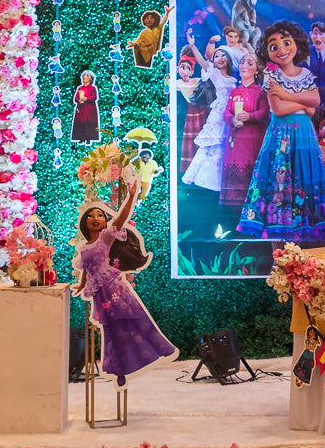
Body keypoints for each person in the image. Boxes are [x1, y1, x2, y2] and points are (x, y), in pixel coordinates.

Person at [73, 181, 178, 389]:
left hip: (115, 289)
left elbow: (121, 219)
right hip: (100, 296)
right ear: (85, 222)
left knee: (138, 319)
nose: (95, 217)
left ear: (105, 221)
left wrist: (131, 196)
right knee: (113, 333)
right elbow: (86, 269)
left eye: (100, 215)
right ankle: (119, 369)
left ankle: (162, 348)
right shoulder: (83, 248)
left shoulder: (105, 238)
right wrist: (81, 284)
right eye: (91, 215)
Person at [237, 20, 325, 240]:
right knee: (279, 184)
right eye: (274, 46)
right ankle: (278, 250)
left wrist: (287, 95)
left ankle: (298, 252)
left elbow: (315, 101)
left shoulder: (305, 73)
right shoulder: (271, 76)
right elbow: (278, 109)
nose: (281, 49)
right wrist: (304, 105)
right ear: (267, 52)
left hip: (304, 137)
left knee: (303, 181)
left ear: (297, 44)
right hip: (281, 136)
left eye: (286, 43)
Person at [182, 47, 237, 193]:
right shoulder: (215, 74)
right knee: (213, 141)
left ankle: (225, 178)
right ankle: (208, 179)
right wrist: (193, 46)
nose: (220, 58)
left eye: (223, 55)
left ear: (229, 59)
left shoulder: (234, 79)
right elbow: (202, 62)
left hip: (231, 112)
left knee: (226, 143)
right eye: (216, 56)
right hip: (219, 112)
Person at [220, 51, 269, 207]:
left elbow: (265, 113)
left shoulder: (261, 91)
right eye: (242, 63)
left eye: (249, 63)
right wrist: (232, 119)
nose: (244, 66)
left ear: (256, 70)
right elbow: (226, 113)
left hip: (253, 140)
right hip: (236, 139)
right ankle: (232, 207)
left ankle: (253, 206)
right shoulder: (234, 91)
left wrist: (250, 116)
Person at [307, 22, 325, 105]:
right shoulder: (305, 52)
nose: (318, 37)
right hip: (311, 99)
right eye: (315, 33)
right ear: (311, 34)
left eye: (321, 34)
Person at [70, 70, 100, 143]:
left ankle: (89, 138)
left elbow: (94, 97)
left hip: (90, 109)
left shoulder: (93, 88)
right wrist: (79, 100)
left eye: (87, 76)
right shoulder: (80, 88)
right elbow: (76, 98)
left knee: (89, 122)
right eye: (84, 75)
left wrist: (86, 98)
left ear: (91, 79)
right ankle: (81, 138)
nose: (84, 77)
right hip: (81, 108)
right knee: (81, 123)